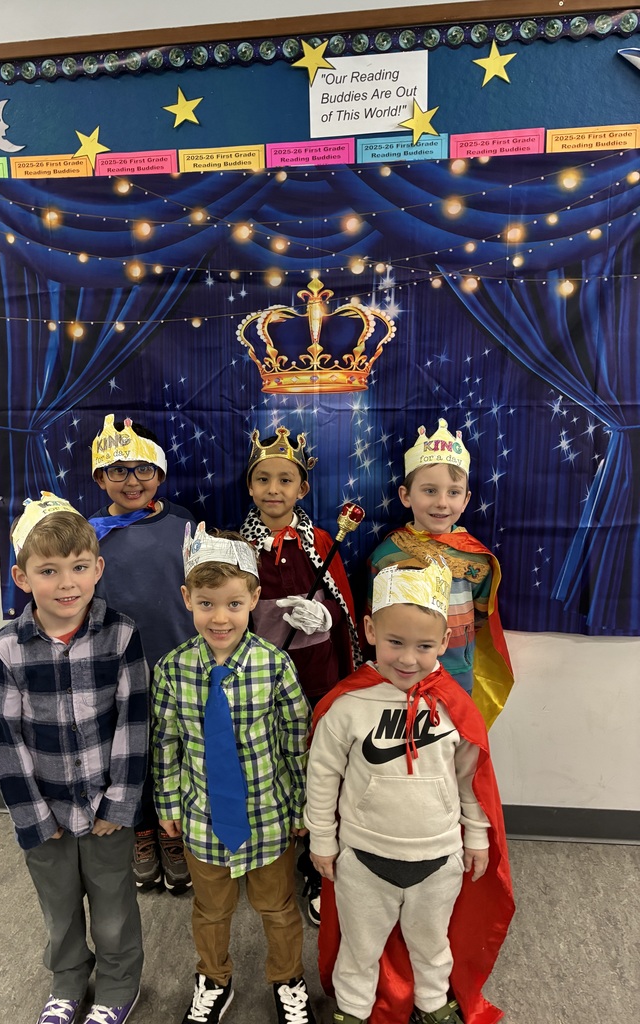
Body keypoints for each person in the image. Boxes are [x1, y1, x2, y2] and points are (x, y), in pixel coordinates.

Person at [305, 561, 514, 1024]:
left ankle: (432, 1002)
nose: (407, 659)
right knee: (359, 946)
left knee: (432, 941)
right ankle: (353, 1009)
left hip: (438, 856)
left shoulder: (454, 706)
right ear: (370, 630)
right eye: (395, 642)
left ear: (444, 641)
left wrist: (477, 836)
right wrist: (321, 838)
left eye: (423, 646)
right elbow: (322, 776)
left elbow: (471, 779)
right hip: (363, 855)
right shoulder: (348, 705)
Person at [0, 492, 148, 1024]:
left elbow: (133, 724)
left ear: (98, 568)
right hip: (45, 808)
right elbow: (4, 738)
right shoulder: (8, 647)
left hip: (105, 807)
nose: (66, 583)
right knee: (58, 905)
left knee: (113, 904)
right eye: (48, 571)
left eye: (79, 567)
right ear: (22, 577)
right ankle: (68, 979)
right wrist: (32, 814)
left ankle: (118, 984)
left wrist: (119, 803)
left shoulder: (121, 634)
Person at [152, 523, 316, 1024]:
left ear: (254, 599)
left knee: (279, 908)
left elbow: (296, 741)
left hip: (268, 818)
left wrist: (302, 807)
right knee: (210, 910)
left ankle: (287, 978)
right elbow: (166, 743)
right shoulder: (172, 669)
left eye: (233, 604)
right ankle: (213, 977)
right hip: (203, 819)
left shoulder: (276, 665)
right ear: (187, 599)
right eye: (206, 604)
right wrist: (168, 803)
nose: (220, 617)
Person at [240, 425, 360, 926]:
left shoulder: (323, 542)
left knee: (319, 765)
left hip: (316, 675)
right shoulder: (238, 546)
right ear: (250, 486)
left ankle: (317, 861)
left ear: (302, 488)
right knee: (268, 760)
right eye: (263, 479)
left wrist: (326, 617)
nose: (274, 489)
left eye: (285, 480)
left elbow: (343, 603)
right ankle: (270, 855)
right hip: (263, 678)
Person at [89, 414, 196, 895]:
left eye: (142, 469)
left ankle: (174, 835)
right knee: (129, 755)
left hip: (178, 665)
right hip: (119, 670)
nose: (132, 481)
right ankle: (142, 831)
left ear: (160, 473)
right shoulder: (89, 534)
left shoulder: (185, 525)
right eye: (118, 470)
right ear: (100, 477)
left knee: (174, 751)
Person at [368, 420, 513, 725]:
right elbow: (374, 614)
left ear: (466, 499)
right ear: (406, 496)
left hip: (457, 671)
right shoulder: (387, 555)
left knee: (452, 737)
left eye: (453, 492)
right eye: (430, 491)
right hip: (400, 670)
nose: (442, 503)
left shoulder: (475, 558)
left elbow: (481, 615)